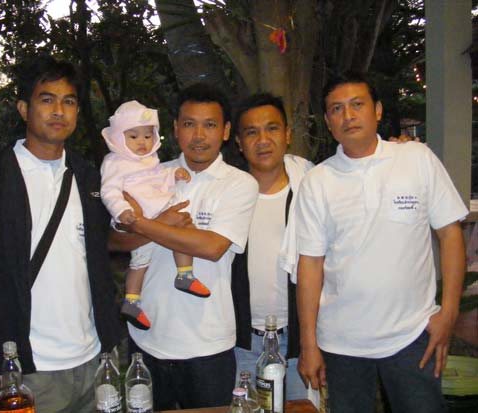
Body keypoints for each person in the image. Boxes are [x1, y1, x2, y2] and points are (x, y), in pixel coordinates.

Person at [0, 55, 122, 413]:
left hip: (95, 361)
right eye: (47, 99)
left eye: (69, 101)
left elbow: (102, 258)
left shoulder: (89, 178)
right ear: (23, 108)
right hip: (27, 372)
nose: (59, 111)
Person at [290, 71, 468, 413]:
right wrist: (309, 343)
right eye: (337, 109)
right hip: (341, 343)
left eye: (357, 104)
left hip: (412, 336)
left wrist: (449, 313)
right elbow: (310, 264)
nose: (348, 116)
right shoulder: (317, 181)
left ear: (378, 110)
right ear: (328, 122)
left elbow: (450, 234)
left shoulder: (416, 159)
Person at [109, 83, 259, 410]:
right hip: (146, 341)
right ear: (176, 128)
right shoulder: (148, 174)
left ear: (225, 131)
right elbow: (115, 240)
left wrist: (144, 224)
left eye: (210, 125)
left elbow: (212, 246)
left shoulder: (240, 184)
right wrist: (163, 223)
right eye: (189, 124)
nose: (199, 135)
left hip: (208, 345)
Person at [100, 100, 210, 330]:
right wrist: (122, 211)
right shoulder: (114, 162)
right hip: (135, 218)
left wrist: (174, 174)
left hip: (158, 210)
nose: (142, 142)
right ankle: (133, 300)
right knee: (140, 262)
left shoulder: (151, 160)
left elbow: (159, 177)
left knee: (177, 238)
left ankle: (182, 275)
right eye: (133, 136)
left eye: (148, 136)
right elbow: (109, 191)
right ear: (119, 138)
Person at [231, 93, 311, 401]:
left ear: (287, 134)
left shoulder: (311, 188)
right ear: (239, 142)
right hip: (242, 344)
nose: (263, 140)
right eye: (252, 132)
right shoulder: (227, 195)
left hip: (299, 341)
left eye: (272, 128)